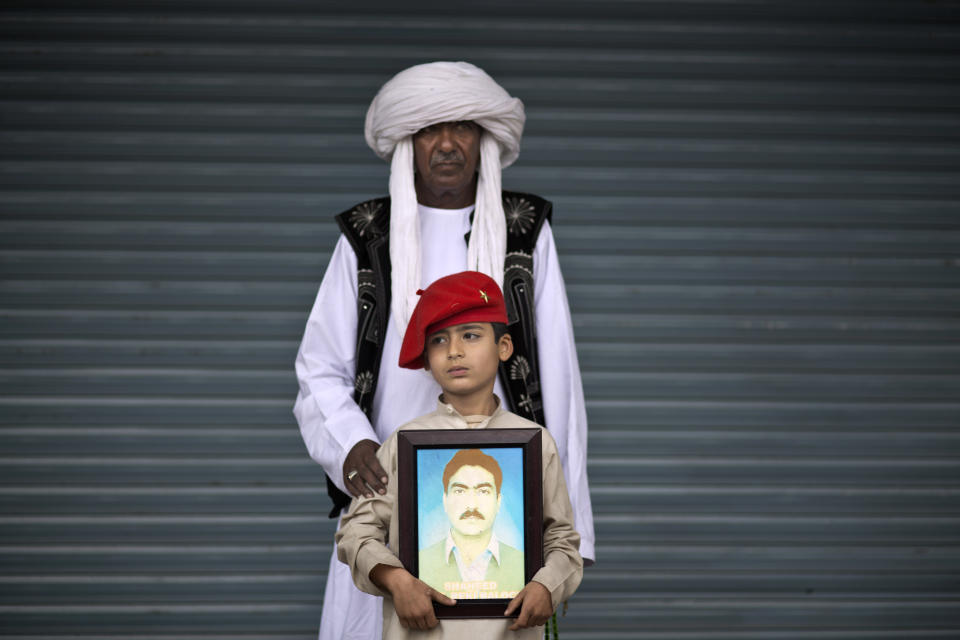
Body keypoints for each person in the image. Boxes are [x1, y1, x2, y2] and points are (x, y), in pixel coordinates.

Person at [293, 61, 594, 640]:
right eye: (431, 129)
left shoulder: (523, 230)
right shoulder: (367, 233)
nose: (449, 144)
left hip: (502, 494)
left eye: (463, 127)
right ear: (408, 142)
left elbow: (559, 379)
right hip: (389, 489)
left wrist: (568, 534)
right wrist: (352, 443)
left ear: (484, 141)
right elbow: (319, 366)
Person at [336, 271, 582, 638]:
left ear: (504, 347)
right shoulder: (404, 442)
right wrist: (398, 580)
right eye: (438, 340)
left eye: (470, 335)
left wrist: (546, 585)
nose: (454, 351)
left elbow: (561, 540)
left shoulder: (535, 442)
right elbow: (356, 532)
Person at [418, 449, 524, 598]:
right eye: (460, 491)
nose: (472, 505)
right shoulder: (420, 565)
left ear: (498, 501)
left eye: (483, 491)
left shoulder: (523, 566)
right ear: (445, 500)